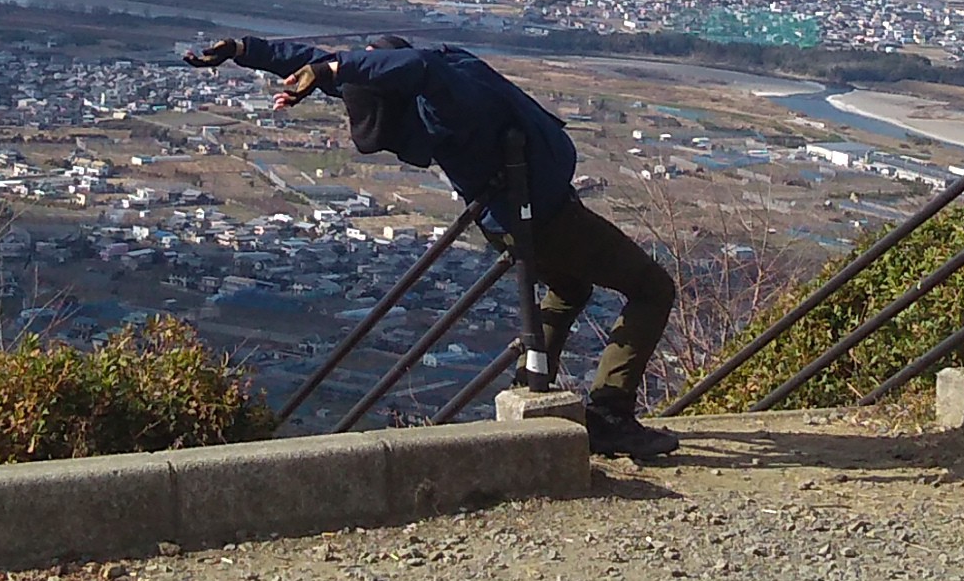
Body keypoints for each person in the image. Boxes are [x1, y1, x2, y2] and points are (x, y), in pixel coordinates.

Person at [185, 33, 681, 459]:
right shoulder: (444, 106)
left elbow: (325, 62)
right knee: (651, 288)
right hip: (546, 217)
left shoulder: (397, 89)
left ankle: (532, 387)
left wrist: (245, 50)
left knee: (569, 288)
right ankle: (609, 413)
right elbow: (417, 66)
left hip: (516, 216)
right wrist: (333, 68)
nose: (366, 56)